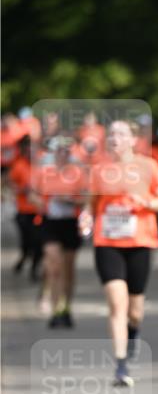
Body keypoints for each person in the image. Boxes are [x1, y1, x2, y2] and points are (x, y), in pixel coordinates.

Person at [80, 120, 158, 387]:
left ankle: (132, 333)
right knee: (116, 304)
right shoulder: (99, 170)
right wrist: (86, 218)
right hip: (107, 242)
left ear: (133, 140)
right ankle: (120, 365)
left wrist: (146, 202)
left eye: (121, 133)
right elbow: (90, 205)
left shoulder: (148, 166)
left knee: (135, 310)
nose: (114, 138)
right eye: (111, 134)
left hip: (140, 242)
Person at [32, 137, 86, 328]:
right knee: (54, 265)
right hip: (50, 222)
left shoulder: (77, 173)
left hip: (70, 222)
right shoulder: (44, 171)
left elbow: (86, 198)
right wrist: (41, 202)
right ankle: (55, 310)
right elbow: (33, 193)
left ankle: (67, 307)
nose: (63, 154)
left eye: (66, 150)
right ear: (53, 152)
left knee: (68, 268)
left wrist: (70, 200)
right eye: (59, 150)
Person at [8, 135, 42, 280]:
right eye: (27, 148)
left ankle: (34, 269)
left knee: (38, 243)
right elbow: (10, 184)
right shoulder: (18, 165)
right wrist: (22, 189)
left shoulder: (42, 164)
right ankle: (23, 258)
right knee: (26, 242)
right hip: (24, 211)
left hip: (40, 211)